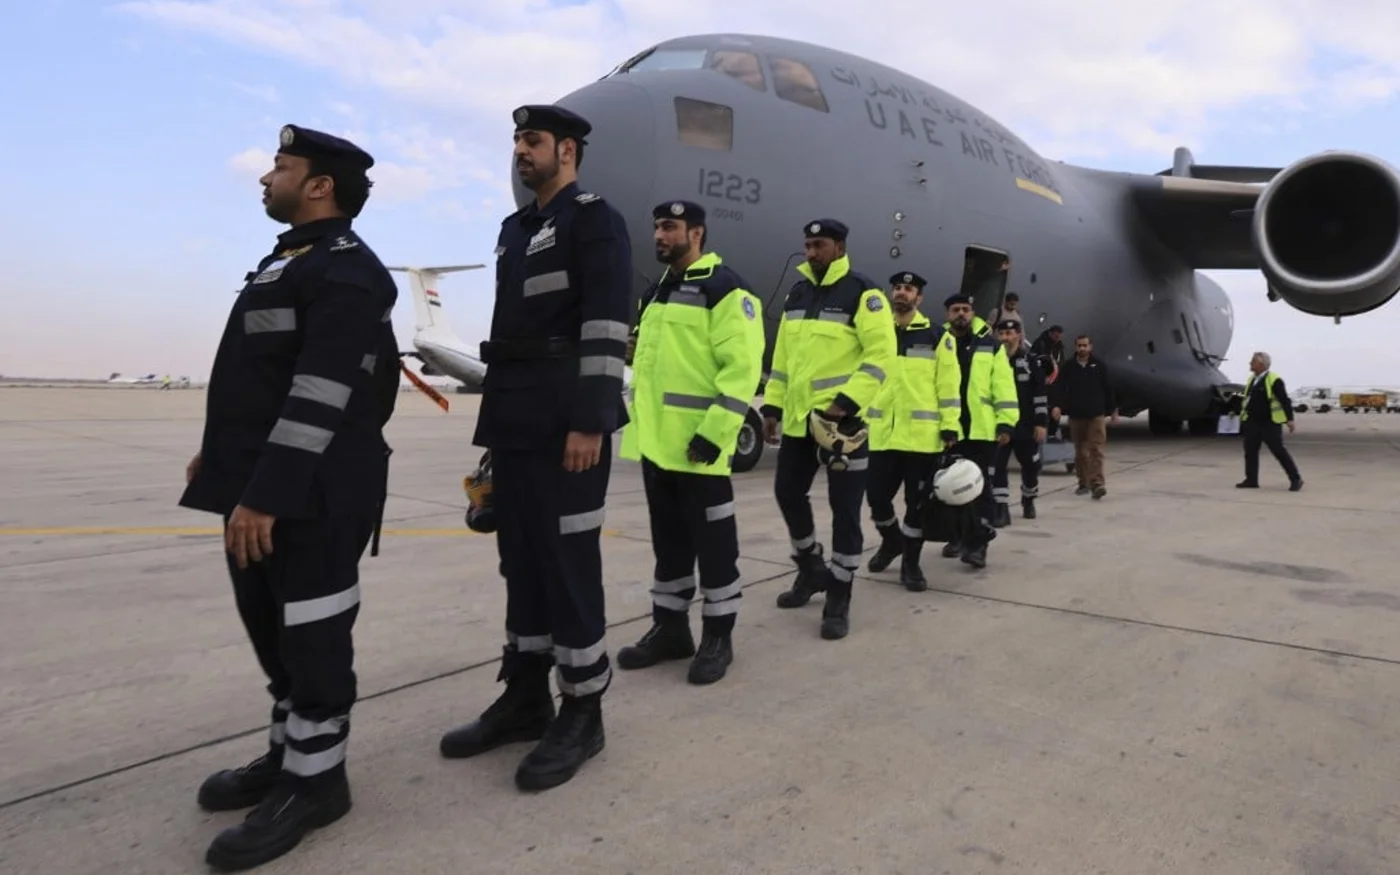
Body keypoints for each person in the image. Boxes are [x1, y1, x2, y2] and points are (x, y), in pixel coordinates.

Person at [180, 124, 400, 871]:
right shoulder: (286, 262)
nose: (265, 176)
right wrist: (219, 458)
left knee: (313, 636)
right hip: (260, 484)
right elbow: (258, 376)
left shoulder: (349, 271)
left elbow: (320, 393)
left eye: (280, 166)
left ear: (319, 186)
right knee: (272, 633)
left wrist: (267, 493)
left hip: (313, 493)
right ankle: (287, 755)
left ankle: (317, 781)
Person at [437, 104, 632, 792]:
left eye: (533, 140)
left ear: (567, 150)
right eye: (517, 140)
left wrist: (591, 420)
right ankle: (525, 697)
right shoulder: (515, 230)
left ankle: (583, 710)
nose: (521, 150)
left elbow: (606, 326)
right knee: (519, 561)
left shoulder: (595, 220)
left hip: (565, 420)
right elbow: (507, 336)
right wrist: (491, 437)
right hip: (514, 420)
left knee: (567, 563)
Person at [613, 200, 765, 684]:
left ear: (696, 233)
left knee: (715, 548)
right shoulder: (656, 293)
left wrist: (715, 435)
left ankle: (718, 637)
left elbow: (743, 369)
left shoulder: (726, 289)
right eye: (657, 226)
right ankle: (670, 630)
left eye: (670, 227)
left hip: (700, 450)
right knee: (670, 546)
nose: (659, 235)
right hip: (656, 448)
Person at [763, 219, 897, 639]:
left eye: (818, 245)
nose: (810, 252)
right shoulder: (798, 293)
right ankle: (810, 567)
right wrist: (772, 405)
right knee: (787, 493)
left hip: (844, 427)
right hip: (800, 422)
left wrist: (847, 403)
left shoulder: (864, 294)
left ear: (839, 247)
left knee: (845, 511)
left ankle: (840, 593)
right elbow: (783, 358)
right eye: (807, 245)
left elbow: (881, 356)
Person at [863, 271, 961, 591]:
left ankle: (911, 564)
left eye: (908, 289)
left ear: (919, 298)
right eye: (897, 288)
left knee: (916, 506)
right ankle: (892, 541)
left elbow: (948, 386)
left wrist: (950, 425)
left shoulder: (937, 336)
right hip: (882, 436)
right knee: (876, 498)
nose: (901, 293)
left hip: (921, 438)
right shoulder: (878, 333)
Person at [938, 294, 1018, 568]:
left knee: (978, 487)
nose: (961, 314)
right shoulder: (937, 341)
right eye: (955, 310)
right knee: (947, 487)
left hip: (980, 430)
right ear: (948, 314)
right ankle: (957, 536)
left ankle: (978, 545)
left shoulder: (990, 345)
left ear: (972, 313)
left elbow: (1004, 386)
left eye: (965, 309)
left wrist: (1005, 422)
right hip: (948, 429)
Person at [990, 319, 1048, 524]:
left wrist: (1041, 423)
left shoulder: (1031, 363)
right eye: (1001, 334)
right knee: (997, 467)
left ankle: (1028, 498)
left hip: (1026, 426)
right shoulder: (991, 361)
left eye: (1009, 334)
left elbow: (1039, 395)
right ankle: (1001, 508)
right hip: (1001, 425)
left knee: (1031, 466)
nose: (1005, 338)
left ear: (1019, 336)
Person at [1057, 334, 1118, 498]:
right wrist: (1057, 406)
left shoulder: (1099, 365)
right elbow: (1060, 388)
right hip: (1076, 415)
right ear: (1075, 347)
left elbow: (1108, 388)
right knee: (1080, 453)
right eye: (1079, 345)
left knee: (1096, 449)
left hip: (1096, 415)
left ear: (1090, 347)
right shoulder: (1069, 367)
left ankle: (1097, 484)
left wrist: (1113, 410)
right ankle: (1083, 483)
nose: (1082, 348)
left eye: (1085, 345)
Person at [1237, 351, 1303, 491]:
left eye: (1253, 361)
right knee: (1250, 452)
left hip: (1269, 423)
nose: (1250, 364)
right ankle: (1251, 480)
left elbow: (1284, 400)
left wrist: (1289, 419)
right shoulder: (1252, 380)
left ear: (1261, 364)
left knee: (1279, 451)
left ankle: (1296, 478)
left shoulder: (1274, 380)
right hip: (1252, 422)